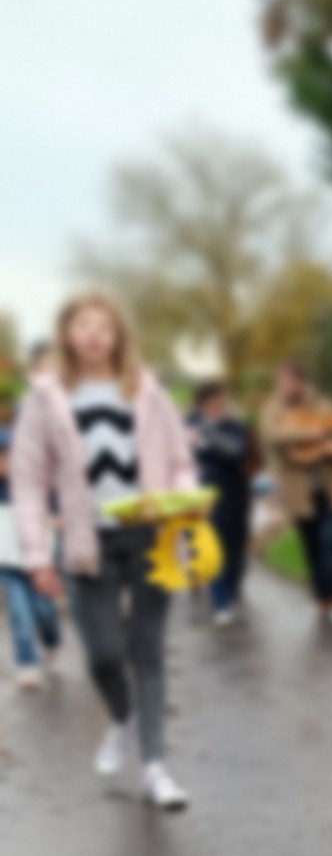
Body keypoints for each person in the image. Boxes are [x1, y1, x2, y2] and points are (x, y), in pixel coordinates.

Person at [9, 292, 194, 808]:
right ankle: (122, 718)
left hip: (152, 537)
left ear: (119, 335)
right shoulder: (45, 398)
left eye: (104, 326)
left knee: (149, 651)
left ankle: (156, 768)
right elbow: (27, 482)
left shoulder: (148, 390)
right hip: (86, 542)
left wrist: (182, 500)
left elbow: (180, 461)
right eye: (83, 324)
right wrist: (37, 555)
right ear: (67, 333)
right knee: (104, 655)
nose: (94, 333)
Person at [258, 361, 332, 613]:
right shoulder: (273, 407)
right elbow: (271, 434)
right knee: (311, 544)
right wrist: (311, 433)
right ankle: (322, 597)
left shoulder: (322, 404)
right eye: (282, 381)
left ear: (301, 381)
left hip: (330, 486)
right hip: (299, 492)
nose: (286, 386)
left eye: (290, 381)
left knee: (329, 540)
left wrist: (327, 443)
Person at [0, 419, 62, 690]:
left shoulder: (39, 486)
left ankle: (51, 642)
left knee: (45, 611)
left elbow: (59, 509)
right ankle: (27, 664)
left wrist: (58, 520)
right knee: (19, 613)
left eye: (8, 455)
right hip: (8, 562)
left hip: (41, 562)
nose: (5, 463)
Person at [187, 381, 254, 626]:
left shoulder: (234, 426)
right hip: (204, 499)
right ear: (202, 404)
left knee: (235, 550)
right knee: (213, 548)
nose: (217, 406)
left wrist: (208, 433)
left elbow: (236, 452)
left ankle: (232, 586)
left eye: (220, 402)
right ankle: (221, 602)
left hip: (234, 495)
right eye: (211, 403)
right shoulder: (188, 425)